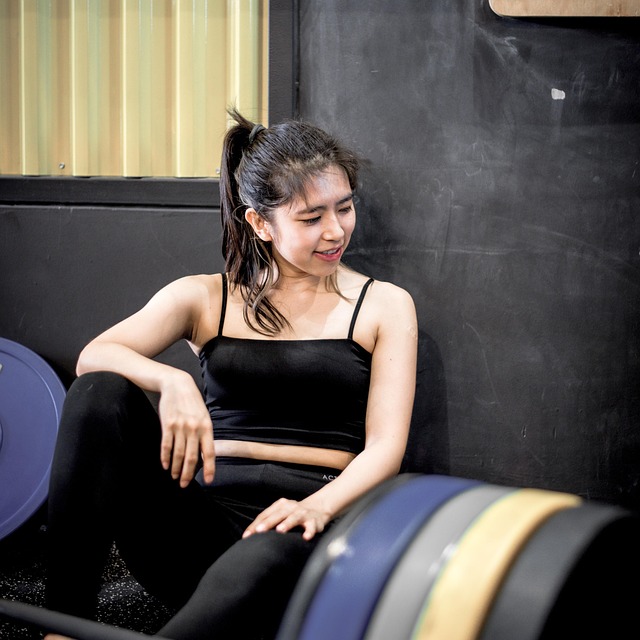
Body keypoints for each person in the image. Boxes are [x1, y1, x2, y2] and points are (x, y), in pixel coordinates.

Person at [43, 109, 418, 640]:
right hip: (198, 526)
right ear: (260, 223)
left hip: (305, 526)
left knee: (262, 555)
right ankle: (61, 629)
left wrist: (315, 508)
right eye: (311, 218)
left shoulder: (384, 306)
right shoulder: (204, 296)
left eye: (344, 207)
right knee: (98, 393)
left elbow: (386, 447)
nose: (335, 230)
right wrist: (172, 381)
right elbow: (95, 356)